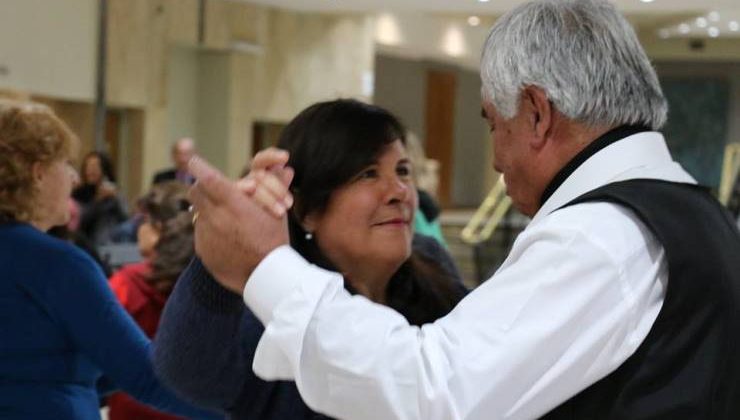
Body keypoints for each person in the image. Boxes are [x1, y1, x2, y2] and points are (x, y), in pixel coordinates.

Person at [186, 0, 740, 419]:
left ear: (538, 114)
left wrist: (267, 263)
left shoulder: (601, 235)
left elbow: (434, 389)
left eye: (492, 124)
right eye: (366, 174)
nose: (496, 158)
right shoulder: (690, 209)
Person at [153, 99, 467, 419]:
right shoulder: (272, 302)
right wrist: (216, 266)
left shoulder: (433, 265)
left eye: (402, 171)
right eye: (368, 174)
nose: (398, 190)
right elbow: (188, 374)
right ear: (306, 210)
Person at [0, 99, 219, 419]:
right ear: (38, 173)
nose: (75, 179)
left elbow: (44, 363)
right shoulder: (59, 265)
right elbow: (145, 376)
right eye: (66, 164)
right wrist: (247, 410)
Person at [107, 181, 194, 420]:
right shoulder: (212, 282)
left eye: (143, 220)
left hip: (133, 409)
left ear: (157, 227)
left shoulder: (126, 283)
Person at [72, 151, 128, 247]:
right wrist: (98, 201)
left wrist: (116, 199)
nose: (90, 171)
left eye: (95, 167)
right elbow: (80, 220)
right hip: (85, 243)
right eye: (88, 166)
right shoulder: (79, 193)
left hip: (111, 243)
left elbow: (125, 218)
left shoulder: (113, 193)